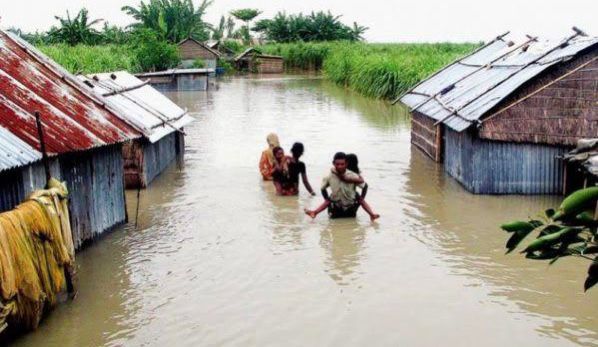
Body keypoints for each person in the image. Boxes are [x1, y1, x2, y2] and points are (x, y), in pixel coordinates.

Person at [304, 152, 372, 219]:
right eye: (337, 164)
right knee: (330, 200)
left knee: (358, 201)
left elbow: (364, 185)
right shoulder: (330, 175)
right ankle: (315, 212)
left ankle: (372, 214)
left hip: (350, 204)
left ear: (347, 164)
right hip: (336, 205)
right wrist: (327, 201)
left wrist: (359, 202)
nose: (340, 166)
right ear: (333, 163)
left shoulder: (353, 174)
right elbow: (323, 188)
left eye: (342, 164)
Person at [346, 153, 380, 221]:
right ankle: (371, 214)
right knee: (362, 201)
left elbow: (365, 185)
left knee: (361, 201)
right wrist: (362, 198)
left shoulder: (351, 174)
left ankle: (371, 214)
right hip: (352, 193)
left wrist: (361, 198)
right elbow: (365, 186)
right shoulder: (356, 173)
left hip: (351, 193)